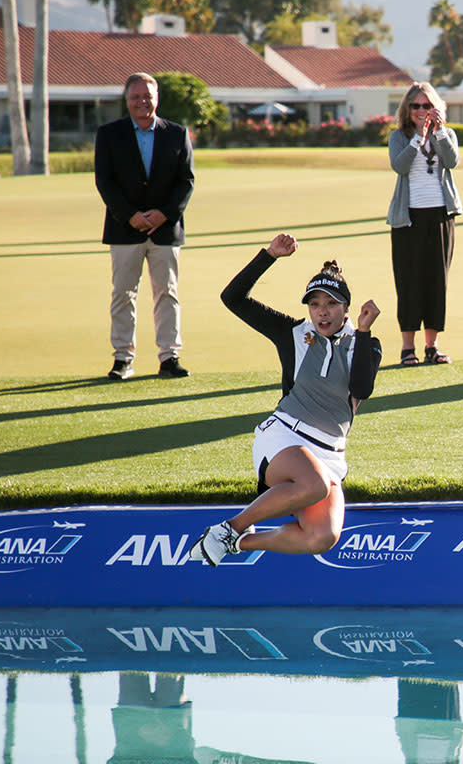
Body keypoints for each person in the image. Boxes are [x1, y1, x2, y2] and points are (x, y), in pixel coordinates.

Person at [190, 234, 382, 565]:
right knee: (315, 485)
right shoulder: (293, 333)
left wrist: (363, 332)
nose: (322, 313)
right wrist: (268, 256)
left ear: (346, 307)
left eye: (331, 304)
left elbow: (362, 389)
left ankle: (237, 543)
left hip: (330, 455)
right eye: (314, 304)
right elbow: (233, 298)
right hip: (284, 436)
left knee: (321, 537)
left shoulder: (364, 343)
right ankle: (229, 528)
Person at [94, 71, 195, 380]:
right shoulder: (109, 134)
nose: (142, 102)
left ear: (156, 99)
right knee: (123, 294)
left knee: (167, 293)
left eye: (147, 96)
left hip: (165, 230)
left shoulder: (176, 133)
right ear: (127, 100)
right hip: (125, 229)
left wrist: (164, 214)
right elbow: (105, 182)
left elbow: (186, 181)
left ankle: (169, 357)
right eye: (136, 97)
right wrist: (130, 215)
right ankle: (123, 358)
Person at [387, 82, 462, 366]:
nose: (421, 110)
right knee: (409, 282)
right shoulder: (399, 137)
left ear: (436, 107)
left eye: (427, 105)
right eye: (416, 105)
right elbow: (400, 166)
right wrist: (418, 137)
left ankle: (433, 346)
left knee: (436, 281)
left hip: (440, 215)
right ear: (407, 109)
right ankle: (408, 347)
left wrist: (438, 132)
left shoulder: (447, 134)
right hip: (407, 219)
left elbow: (452, 162)